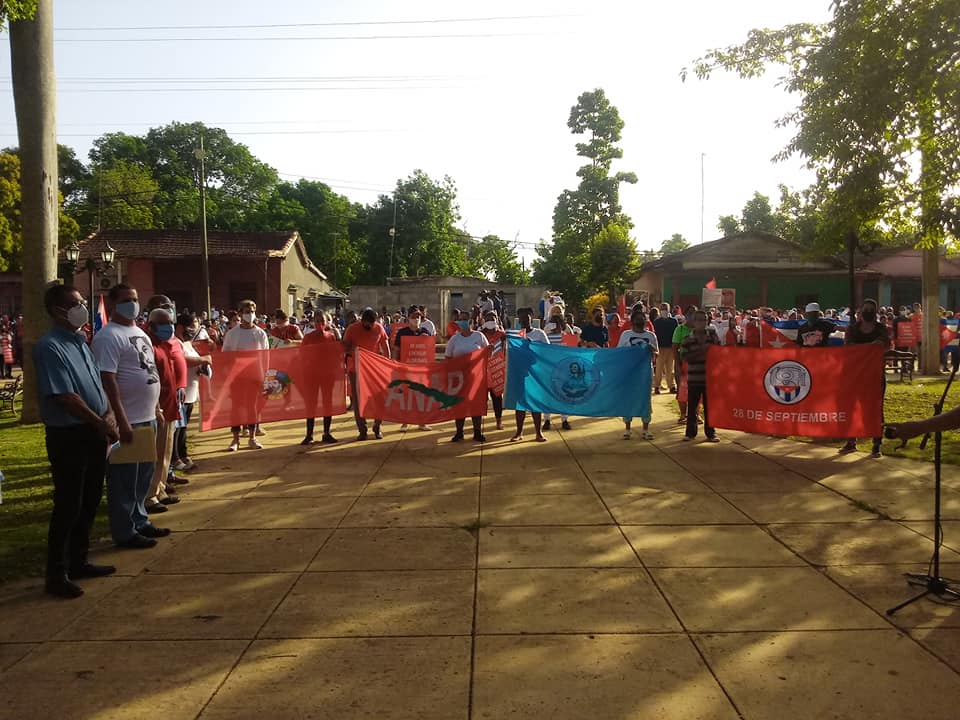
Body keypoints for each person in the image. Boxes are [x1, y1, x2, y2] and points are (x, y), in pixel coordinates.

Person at [34, 285, 120, 598]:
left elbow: (96, 384)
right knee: (68, 504)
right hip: (70, 434)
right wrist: (99, 422)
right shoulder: (49, 347)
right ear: (57, 310)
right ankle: (56, 573)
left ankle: (79, 560)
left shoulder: (82, 341)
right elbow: (64, 395)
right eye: (74, 304)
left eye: (82, 302)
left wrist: (108, 413)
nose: (80, 308)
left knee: (90, 498)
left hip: (95, 430)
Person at [91, 283, 168, 549]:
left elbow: (149, 370)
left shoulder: (140, 333)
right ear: (112, 304)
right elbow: (107, 379)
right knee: (124, 479)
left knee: (143, 476)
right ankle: (125, 531)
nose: (132, 304)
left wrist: (156, 407)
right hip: (129, 419)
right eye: (125, 300)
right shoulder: (108, 336)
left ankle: (140, 520)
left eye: (135, 299)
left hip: (147, 416)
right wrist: (121, 419)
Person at [840, 299, 890, 457]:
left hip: (875, 377)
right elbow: (847, 345)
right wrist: (868, 347)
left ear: (875, 312)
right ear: (860, 312)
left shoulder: (881, 329)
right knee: (852, 408)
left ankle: (876, 445)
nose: (868, 311)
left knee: (876, 409)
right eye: (865, 309)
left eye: (871, 309)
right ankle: (851, 441)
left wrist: (874, 345)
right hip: (854, 376)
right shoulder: (853, 329)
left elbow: (884, 343)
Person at [222, 299, 270, 452]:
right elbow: (225, 355)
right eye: (246, 312)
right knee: (236, 407)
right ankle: (235, 439)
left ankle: (252, 437)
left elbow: (265, 356)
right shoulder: (232, 333)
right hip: (237, 376)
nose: (250, 314)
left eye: (252, 311)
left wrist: (264, 376)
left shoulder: (260, 333)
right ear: (240, 313)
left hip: (254, 376)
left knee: (252, 407)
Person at [342, 307, 391, 440]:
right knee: (358, 400)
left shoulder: (379, 328)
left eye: (371, 323)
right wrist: (355, 350)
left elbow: (385, 346)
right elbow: (344, 345)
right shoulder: (352, 329)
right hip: (356, 369)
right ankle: (362, 430)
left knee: (378, 398)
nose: (368, 326)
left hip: (374, 369)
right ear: (362, 320)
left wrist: (387, 365)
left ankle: (377, 426)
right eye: (366, 323)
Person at [445, 315, 489, 442]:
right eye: (460, 320)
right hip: (459, 378)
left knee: (476, 403)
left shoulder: (479, 336)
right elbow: (448, 357)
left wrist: (489, 350)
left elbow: (486, 352)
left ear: (471, 321)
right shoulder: (455, 338)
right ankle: (459, 432)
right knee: (459, 404)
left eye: (465, 320)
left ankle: (477, 432)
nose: (462, 322)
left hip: (475, 377)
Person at [300, 311, 341, 445]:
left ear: (326, 322)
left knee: (327, 403)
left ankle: (326, 433)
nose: (320, 324)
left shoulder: (331, 337)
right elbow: (302, 355)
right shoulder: (308, 337)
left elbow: (337, 354)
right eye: (317, 321)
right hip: (312, 375)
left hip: (327, 375)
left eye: (322, 321)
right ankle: (309, 434)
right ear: (313, 322)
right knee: (311, 404)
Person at [618, 308, 658, 440]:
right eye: (638, 319)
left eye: (642, 318)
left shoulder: (651, 336)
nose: (640, 321)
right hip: (629, 373)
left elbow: (656, 355)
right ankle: (627, 429)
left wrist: (652, 350)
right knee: (628, 399)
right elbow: (619, 353)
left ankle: (645, 429)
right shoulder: (626, 335)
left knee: (645, 401)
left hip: (645, 374)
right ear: (632, 321)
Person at [680, 309, 720, 443]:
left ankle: (711, 433)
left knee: (710, 408)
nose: (701, 323)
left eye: (704, 320)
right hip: (694, 378)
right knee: (692, 407)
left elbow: (719, 352)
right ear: (693, 322)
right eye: (698, 320)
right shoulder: (687, 339)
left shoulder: (713, 336)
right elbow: (686, 357)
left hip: (710, 379)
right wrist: (702, 352)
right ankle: (690, 433)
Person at [511, 307, 549, 442]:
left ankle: (538, 433)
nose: (524, 321)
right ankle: (519, 432)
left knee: (535, 403)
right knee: (520, 404)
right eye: (521, 319)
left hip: (536, 374)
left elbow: (547, 351)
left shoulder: (539, 334)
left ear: (531, 318)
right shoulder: (516, 335)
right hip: (521, 373)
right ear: (518, 320)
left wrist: (532, 345)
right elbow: (511, 353)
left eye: (526, 318)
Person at [479, 309, 506, 430]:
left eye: (493, 319)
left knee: (497, 398)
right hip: (483, 371)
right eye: (488, 319)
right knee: (481, 399)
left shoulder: (502, 334)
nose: (491, 321)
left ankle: (498, 421)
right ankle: (477, 424)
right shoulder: (480, 334)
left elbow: (505, 351)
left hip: (497, 370)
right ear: (484, 321)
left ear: (497, 320)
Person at [652, 302, 678, 393]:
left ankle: (671, 386)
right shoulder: (657, 322)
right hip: (660, 348)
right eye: (662, 309)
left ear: (669, 309)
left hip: (671, 347)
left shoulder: (674, 321)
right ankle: (657, 386)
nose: (664, 311)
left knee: (670, 369)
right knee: (659, 368)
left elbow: (676, 333)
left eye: (665, 309)